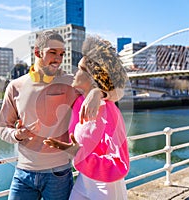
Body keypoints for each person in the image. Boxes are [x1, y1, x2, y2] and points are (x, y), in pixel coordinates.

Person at [0, 31, 123, 200]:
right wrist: (17, 135)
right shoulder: (15, 86)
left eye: (62, 54)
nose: (58, 58)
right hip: (23, 173)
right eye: (52, 52)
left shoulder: (71, 82)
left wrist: (98, 92)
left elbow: (119, 91)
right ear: (37, 52)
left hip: (59, 175)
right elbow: (2, 127)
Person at [44, 35, 130, 200]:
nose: (75, 73)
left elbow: (119, 162)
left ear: (93, 77)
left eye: (80, 69)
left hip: (106, 185)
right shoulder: (79, 100)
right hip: (84, 180)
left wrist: (99, 92)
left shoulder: (106, 110)